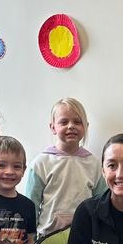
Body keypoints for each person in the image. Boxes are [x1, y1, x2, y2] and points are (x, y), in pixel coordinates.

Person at [25, 97, 106, 236]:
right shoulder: (41, 163)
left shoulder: (94, 164)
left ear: (86, 126)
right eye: (64, 122)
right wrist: (30, 235)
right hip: (47, 237)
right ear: (53, 127)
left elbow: (102, 203)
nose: (71, 126)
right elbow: (31, 204)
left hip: (84, 236)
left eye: (77, 122)